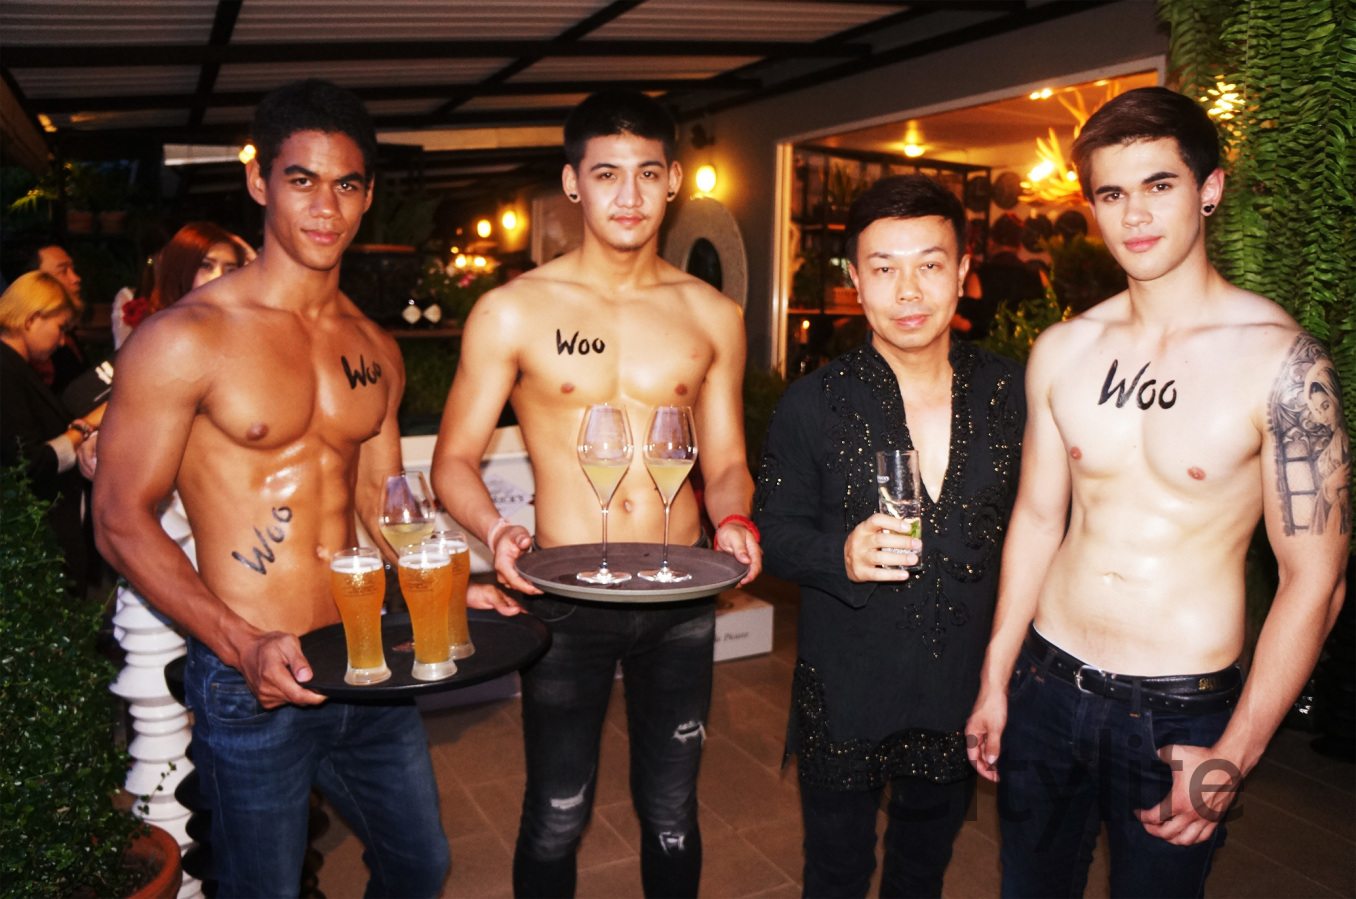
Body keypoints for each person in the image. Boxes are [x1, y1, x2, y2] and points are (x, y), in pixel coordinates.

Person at [93, 79, 479, 898]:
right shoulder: (184, 339)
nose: (325, 207)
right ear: (259, 180)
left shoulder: (374, 346)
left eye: (346, 185)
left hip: (364, 656)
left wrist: (449, 587)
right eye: (302, 180)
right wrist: (241, 645)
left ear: (367, 195)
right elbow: (119, 519)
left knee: (420, 864)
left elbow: (383, 503)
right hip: (249, 675)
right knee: (262, 889)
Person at [963, 86, 1349, 897]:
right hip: (1045, 684)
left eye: (1159, 185)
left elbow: (1316, 579)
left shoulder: (1282, 363)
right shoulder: (1064, 349)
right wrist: (997, 673)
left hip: (1181, 712)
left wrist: (1234, 753)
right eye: (1111, 193)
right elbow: (1037, 518)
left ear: (1209, 188)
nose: (1133, 214)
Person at [430, 89, 761, 899]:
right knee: (557, 810)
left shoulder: (713, 314)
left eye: (647, 172)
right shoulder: (511, 311)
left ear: (673, 179)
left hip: (680, 590)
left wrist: (734, 518)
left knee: (673, 810)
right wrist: (496, 532)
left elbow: (726, 460)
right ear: (572, 183)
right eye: (607, 173)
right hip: (566, 595)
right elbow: (453, 461)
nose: (629, 194)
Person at [754, 175, 1026, 897]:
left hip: (959, 685)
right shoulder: (812, 403)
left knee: (921, 872)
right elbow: (772, 531)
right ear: (854, 280)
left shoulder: (1013, 393)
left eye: (930, 264)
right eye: (884, 268)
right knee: (836, 873)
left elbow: (1044, 528)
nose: (909, 291)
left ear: (963, 272)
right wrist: (838, 552)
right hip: (848, 684)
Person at [0, 271, 101, 590]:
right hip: (33, 552)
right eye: (60, 328)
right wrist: (85, 427)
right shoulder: (5, 370)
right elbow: (28, 462)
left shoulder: (16, 367)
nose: (61, 342)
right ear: (32, 318)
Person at [113, 221, 255, 349]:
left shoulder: (238, 322)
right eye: (206, 265)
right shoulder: (161, 331)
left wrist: (256, 267)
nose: (219, 277)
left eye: (231, 270)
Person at [30, 244, 89, 393]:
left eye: (73, 269)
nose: (76, 278)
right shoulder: (38, 347)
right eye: (63, 271)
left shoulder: (68, 331)